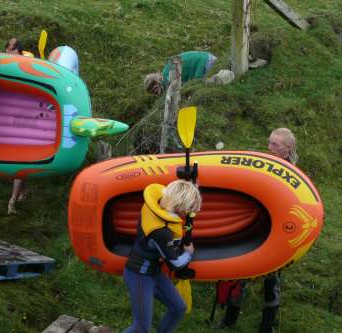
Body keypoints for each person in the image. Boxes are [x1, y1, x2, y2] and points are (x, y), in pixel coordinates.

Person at [216, 128, 298, 333]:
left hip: (275, 237)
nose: (269, 148)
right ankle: (229, 321)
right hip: (253, 230)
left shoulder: (293, 176)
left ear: (287, 149)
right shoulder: (264, 166)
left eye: (275, 145)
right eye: (269, 143)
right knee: (240, 274)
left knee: (271, 282)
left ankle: (267, 326)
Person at [123, 179, 202, 333]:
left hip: (154, 272)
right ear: (180, 204)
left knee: (178, 308)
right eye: (189, 208)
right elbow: (176, 264)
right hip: (139, 275)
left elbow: (179, 198)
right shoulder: (162, 231)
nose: (190, 212)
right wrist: (188, 253)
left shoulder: (154, 205)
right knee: (140, 328)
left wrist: (192, 189)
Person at [5, 38, 30, 214]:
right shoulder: (1, 62)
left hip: (22, 118)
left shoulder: (25, 64)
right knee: (15, 162)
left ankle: (12, 200)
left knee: (21, 161)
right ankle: (20, 192)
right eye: (7, 47)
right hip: (7, 118)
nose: (9, 50)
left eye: (12, 48)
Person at [144, 51, 217, 95]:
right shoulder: (166, 70)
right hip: (208, 57)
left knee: (198, 88)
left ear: (156, 86)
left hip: (206, 64)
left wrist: (197, 79)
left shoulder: (168, 80)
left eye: (156, 93)